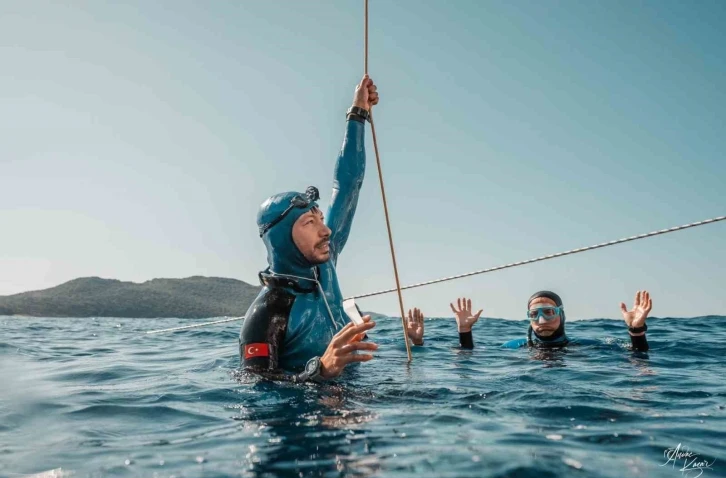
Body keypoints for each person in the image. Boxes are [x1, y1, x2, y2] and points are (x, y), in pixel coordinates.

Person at [239, 75, 380, 383]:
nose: (326, 231)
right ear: (282, 239)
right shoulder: (269, 312)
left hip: (353, 396)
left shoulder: (324, 263)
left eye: (321, 219)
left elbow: (348, 185)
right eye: (309, 223)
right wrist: (320, 370)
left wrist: (357, 113)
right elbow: (254, 387)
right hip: (304, 408)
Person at [404, 291, 653, 352]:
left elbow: (637, 359)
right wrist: (464, 330)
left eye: (549, 312)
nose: (541, 320)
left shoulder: (585, 347)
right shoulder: (514, 347)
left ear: (561, 315)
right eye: (534, 315)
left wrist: (636, 330)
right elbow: (468, 358)